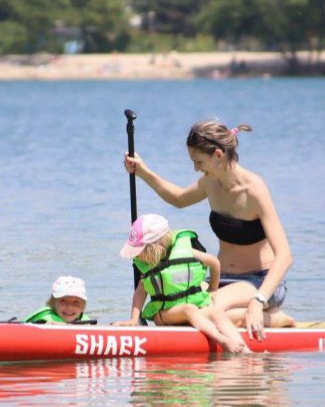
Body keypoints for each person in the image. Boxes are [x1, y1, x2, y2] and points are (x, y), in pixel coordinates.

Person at [123, 120, 296, 340]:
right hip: (221, 279)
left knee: (204, 310)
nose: (196, 168)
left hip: (261, 282)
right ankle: (245, 317)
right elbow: (178, 198)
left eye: (199, 162)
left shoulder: (254, 190)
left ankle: (274, 318)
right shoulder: (210, 183)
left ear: (218, 155)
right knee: (177, 303)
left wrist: (258, 301)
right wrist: (143, 172)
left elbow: (285, 256)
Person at [113, 214, 249, 354]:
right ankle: (223, 340)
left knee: (216, 312)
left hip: (192, 310)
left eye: (140, 252)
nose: (137, 256)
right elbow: (140, 292)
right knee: (188, 309)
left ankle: (245, 350)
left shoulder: (186, 251)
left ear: (155, 248)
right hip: (164, 314)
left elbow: (214, 262)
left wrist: (213, 289)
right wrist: (134, 319)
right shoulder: (148, 264)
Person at [24, 276, 91, 324]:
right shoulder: (44, 321)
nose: (69, 307)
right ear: (53, 303)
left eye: (76, 302)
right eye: (63, 301)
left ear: (83, 307)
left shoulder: (86, 321)